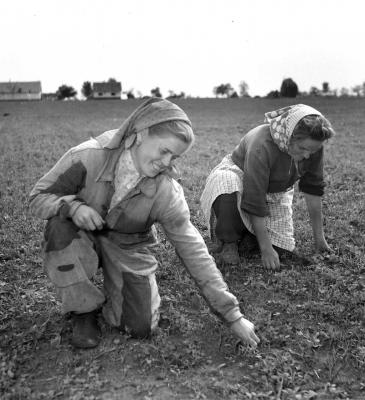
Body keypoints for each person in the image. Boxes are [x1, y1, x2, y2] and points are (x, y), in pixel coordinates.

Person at [29, 97, 259, 349]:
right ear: (141, 134)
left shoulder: (166, 192)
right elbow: (39, 197)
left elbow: (193, 249)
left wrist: (232, 315)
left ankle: (114, 292)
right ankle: (83, 312)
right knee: (60, 229)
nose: (166, 162)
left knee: (140, 326)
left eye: (175, 157)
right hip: (81, 233)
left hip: (128, 246)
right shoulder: (88, 157)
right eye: (164, 151)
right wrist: (72, 207)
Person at [200, 104, 335, 269]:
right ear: (289, 136)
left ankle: (249, 237)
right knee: (226, 183)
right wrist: (265, 249)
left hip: (276, 191)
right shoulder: (261, 145)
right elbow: (255, 197)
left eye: (312, 151)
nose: (307, 155)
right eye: (302, 149)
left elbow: (313, 189)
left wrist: (319, 239)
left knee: (283, 249)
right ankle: (229, 241)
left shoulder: (313, 147)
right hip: (241, 178)